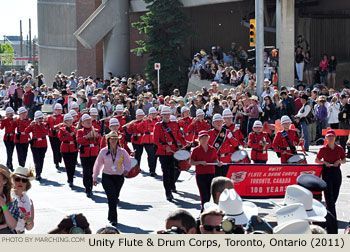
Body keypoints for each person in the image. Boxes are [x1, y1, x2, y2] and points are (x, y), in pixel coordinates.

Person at [93, 131, 131, 227]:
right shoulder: (103, 151)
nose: (114, 141)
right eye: (112, 139)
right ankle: (114, 219)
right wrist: (95, 177)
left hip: (119, 177)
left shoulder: (122, 151)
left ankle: (110, 216)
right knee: (112, 197)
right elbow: (98, 165)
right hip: (107, 177)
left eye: (115, 139)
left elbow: (128, 162)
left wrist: (126, 170)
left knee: (115, 197)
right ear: (108, 140)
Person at [153, 106, 187, 201]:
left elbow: (179, 136)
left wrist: (185, 144)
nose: (166, 116)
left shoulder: (175, 124)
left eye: (168, 114)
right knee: (166, 172)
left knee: (173, 171)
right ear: (162, 115)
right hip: (164, 152)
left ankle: (172, 185)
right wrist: (165, 147)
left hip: (174, 150)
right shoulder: (158, 125)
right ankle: (168, 192)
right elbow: (156, 140)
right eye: (165, 114)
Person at [315, 129, 346, 221]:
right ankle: (332, 218)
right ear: (326, 138)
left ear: (335, 138)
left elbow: (344, 160)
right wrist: (324, 162)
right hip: (327, 171)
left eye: (332, 136)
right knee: (328, 196)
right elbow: (317, 160)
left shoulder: (339, 148)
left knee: (335, 194)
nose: (331, 138)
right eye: (329, 136)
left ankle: (327, 211)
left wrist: (339, 161)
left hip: (336, 171)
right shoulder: (323, 149)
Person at [190, 130, 219, 208]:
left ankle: (207, 210)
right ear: (199, 139)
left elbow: (215, 159)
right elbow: (191, 162)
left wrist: (218, 163)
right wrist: (199, 162)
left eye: (206, 138)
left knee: (209, 194)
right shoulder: (196, 150)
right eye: (202, 138)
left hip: (211, 173)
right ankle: (203, 211)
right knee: (204, 195)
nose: (204, 139)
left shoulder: (212, 149)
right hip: (200, 174)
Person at [77, 114, 101, 197]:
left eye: (90, 122)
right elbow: (78, 141)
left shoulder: (96, 130)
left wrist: (97, 136)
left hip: (94, 153)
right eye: (87, 122)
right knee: (86, 171)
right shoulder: (80, 131)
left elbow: (100, 141)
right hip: (85, 154)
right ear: (82, 123)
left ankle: (90, 187)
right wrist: (86, 137)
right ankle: (87, 188)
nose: (89, 124)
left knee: (92, 171)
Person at [25, 111, 49, 181]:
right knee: (36, 160)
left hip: (43, 144)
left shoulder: (45, 124)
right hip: (35, 144)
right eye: (38, 118)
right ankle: (37, 173)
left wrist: (40, 125)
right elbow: (26, 131)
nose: (40, 120)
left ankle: (39, 172)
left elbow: (46, 131)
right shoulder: (33, 124)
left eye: (41, 118)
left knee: (41, 159)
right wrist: (30, 125)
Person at [11, 167, 35, 234]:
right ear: (12, 181)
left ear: (27, 183)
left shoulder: (29, 201)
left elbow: (29, 227)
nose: (20, 182)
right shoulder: (8, 198)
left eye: (24, 180)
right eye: (17, 179)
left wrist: (29, 221)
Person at [58, 113, 78, 188]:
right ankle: (70, 179)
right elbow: (61, 138)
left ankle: (71, 177)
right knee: (68, 164)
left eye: (71, 120)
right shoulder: (62, 129)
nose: (70, 122)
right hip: (65, 148)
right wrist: (70, 135)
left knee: (73, 165)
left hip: (74, 148)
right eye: (68, 121)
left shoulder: (75, 128)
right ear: (65, 122)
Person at [138, 107, 159, 176]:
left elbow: (155, 126)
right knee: (151, 155)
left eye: (154, 114)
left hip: (155, 140)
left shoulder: (157, 120)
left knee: (155, 156)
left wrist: (151, 120)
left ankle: (153, 169)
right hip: (147, 140)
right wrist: (143, 121)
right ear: (149, 114)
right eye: (151, 114)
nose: (153, 115)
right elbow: (139, 128)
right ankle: (152, 170)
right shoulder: (145, 121)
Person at [0, 165, 19, 234]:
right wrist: (4, 225)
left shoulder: (12, 201)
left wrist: (3, 205)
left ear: (4, 181)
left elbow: (13, 225)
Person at [47, 103, 64, 170]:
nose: (59, 111)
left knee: (60, 148)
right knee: (55, 149)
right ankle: (56, 162)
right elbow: (50, 125)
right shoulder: (50, 117)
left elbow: (63, 123)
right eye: (57, 110)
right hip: (52, 135)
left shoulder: (63, 117)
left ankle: (59, 159)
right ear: (54, 110)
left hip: (60, 134)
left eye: (60, 110)